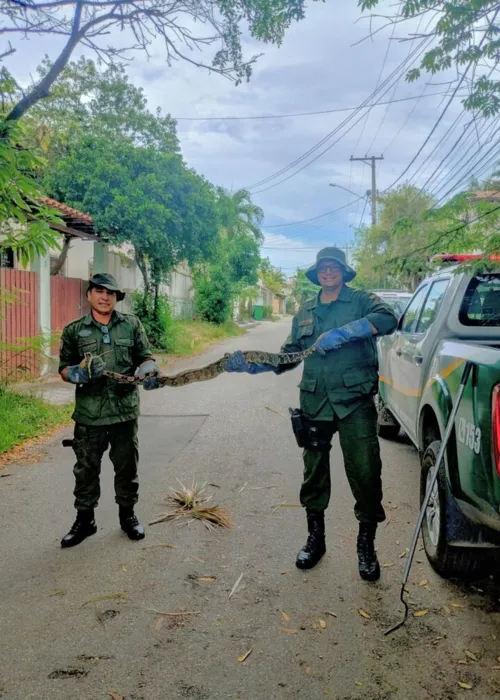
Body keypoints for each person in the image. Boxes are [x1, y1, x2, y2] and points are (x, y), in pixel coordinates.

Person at [224, 248, 398, 581]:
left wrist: (349, 332)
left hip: (355, 401)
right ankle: (315, 539)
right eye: (323, 268)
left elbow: (388, 319)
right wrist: (254, 364)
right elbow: (290, 355)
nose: (328, 272)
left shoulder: (361, 300)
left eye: (334, 267)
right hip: (315, 402)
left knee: (365, 471)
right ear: (316, 274)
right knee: (313, 472)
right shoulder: (305, 310)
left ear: (344, 272)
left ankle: (366, 545)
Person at [58, 273, 160, 548]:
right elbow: (64, 370)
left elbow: (145, 356)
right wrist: (79, 372)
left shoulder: (131, 325)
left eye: (111, 293)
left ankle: (127, 516)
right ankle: (85, 520)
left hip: (124, 413)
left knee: (127, 468)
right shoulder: (74, 330)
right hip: (90, 415)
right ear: (89, 294)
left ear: (116, 298)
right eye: (100, 291)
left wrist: (149, 369)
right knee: (86, 470)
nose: (105, 297)